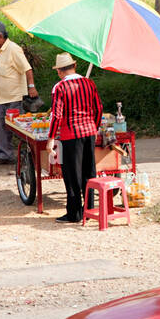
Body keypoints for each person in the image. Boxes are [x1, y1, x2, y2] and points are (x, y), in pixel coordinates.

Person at [47, 53, 102, 223]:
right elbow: (98, 108)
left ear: (59, 72)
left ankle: (74, 213)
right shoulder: (89, 83)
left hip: (70, 135)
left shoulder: (60, 88)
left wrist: (50, 138)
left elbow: (56, 116)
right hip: (89, 132)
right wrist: (95, 127)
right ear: (74, 66)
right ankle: (90, 209)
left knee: (72, 175)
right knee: (89, 171)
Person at [0, 22, 38, 165]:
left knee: (19, 127)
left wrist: (31, 87)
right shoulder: (0, 50)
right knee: (1, 126)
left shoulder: (13, 49)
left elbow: (27, 69)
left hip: (15, 97)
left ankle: (30, 153)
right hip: (2, 98)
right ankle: (5, 154)